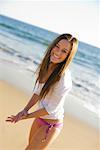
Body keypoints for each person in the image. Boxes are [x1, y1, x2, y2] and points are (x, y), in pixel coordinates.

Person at [6, 33, 78, 150]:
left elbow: (51, 109)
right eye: (57, 46)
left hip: (51, 124)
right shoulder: (47, 65)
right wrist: (25, 110)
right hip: (39, 118)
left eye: (64, 51)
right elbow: (38, 92)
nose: (58, 52)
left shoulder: (63, 78)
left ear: (68, 56)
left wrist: (26, 116)